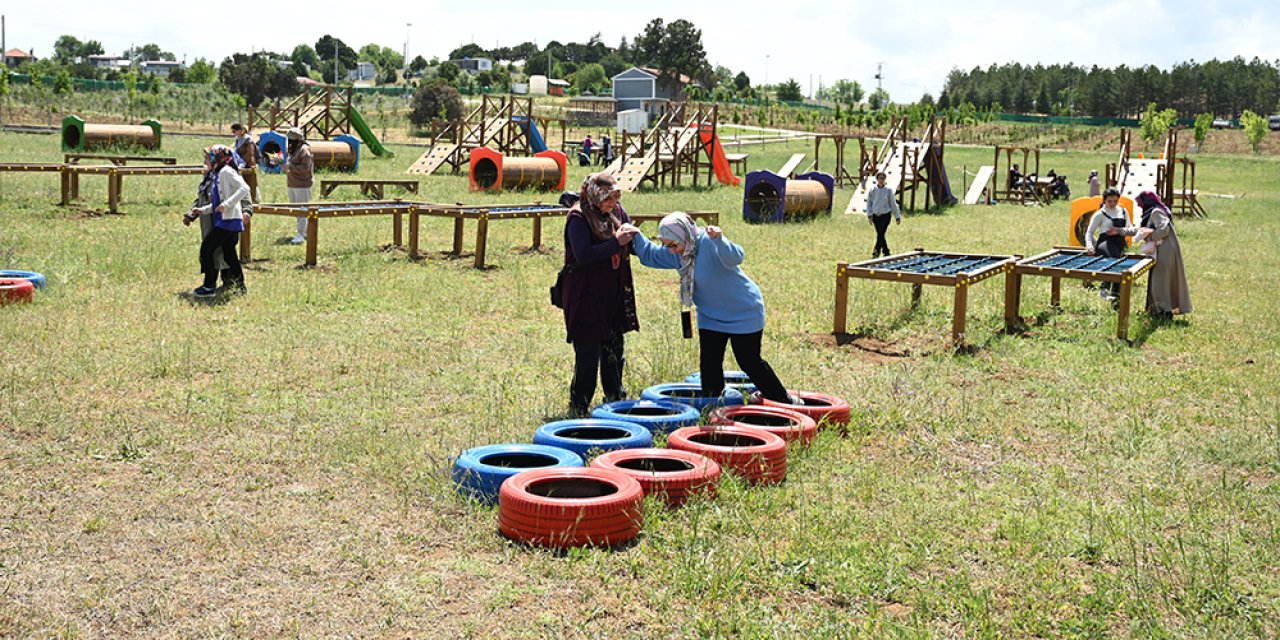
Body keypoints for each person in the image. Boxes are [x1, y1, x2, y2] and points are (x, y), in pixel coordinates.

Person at [636, 212, 793, 404]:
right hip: (710, 315)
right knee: (709, 364)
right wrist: (634, 233)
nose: (671, 250)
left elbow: (736, 256)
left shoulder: (708, 242)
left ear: (685, 234)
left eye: (673, 245)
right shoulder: (680, 254)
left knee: (748, 361)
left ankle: (783, 400)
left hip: (743, 312)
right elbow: (650, 255)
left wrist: (720, 239)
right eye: (667, 245)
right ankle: (712, 404)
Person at [560, 172, 670, 415]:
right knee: (588, 352)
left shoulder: (617, 212)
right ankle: (579, 406)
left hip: (613, 291)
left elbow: (629, 239)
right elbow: (583, 254)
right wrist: (615, 242)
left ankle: (614, 399)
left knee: (614, 347)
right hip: (585, 293)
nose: (612, 203)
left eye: (615, 197)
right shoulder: (579, 217)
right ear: (594, 195)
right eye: (608, 198)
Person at [183, 146, 249, 297]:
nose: (205, 161)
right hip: (225, 220)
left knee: (207, 250)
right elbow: (218, 202)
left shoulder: (226, 172)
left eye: (207, 158)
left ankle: (209, 287)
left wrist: (227, 205)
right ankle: (240, 286)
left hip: (229, 221)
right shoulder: (217, 173)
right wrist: (202, 210)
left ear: (216, 158)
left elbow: (244, 188)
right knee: (229, 254)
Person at [1134, 191, 1191, 318]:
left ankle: (1164, 311)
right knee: (1159, 280)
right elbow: (1142, 230)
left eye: (1140, 203)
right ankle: (1156, 309)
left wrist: (1150, 236)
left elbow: (1164, 229)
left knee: (1160, 282)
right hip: (1162, 250)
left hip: (1164, 250)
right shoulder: (1154, 212)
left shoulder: (1156, 212)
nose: (1139, 206)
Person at [1085, 187, 1136, 301]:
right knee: (1114, 261)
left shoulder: (1123, 211)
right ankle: (1104, 289)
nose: (1112, 203)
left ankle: (1116, 296)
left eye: (1115, 201)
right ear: (1104, 200)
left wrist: (1120, 231)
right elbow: (1089, 232)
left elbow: (1131, 229)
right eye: (1109, 201)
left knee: (1120, 268)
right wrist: (1090, 246)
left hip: (1120, 243)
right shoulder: (1100, 214)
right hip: (1105, 242)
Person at [285, 128, 314, 245]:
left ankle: (300, 235)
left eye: (291, 139)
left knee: (302, 209)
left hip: (302, 185)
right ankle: (305, 231)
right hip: (292, 183)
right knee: (297, 210)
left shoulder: (304, 150)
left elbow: (305, 168)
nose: (289, 142)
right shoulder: (294, 150)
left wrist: (290, 167)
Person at [865, 171, 902, 258]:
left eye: (883, 178)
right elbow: (869, 203)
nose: (881, 180)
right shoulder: (872, 190)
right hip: (875, 216)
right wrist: (869, 215)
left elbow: (893, 204)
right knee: (880, 234)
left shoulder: (888, 190)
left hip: (885, 215)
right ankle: (886, 251)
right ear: (877, 179)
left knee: (881, 233)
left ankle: (876, 252)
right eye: (880, 178)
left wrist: (897, 216)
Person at [230, 123, 260, 203]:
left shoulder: (248, 140)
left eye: (234, 131)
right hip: (240, 165)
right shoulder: (238, 140)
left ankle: (254, 200)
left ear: (240, 131)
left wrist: (243, 163)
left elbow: (250, 154)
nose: (234, 133)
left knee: (251, 183)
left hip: (249, 165)